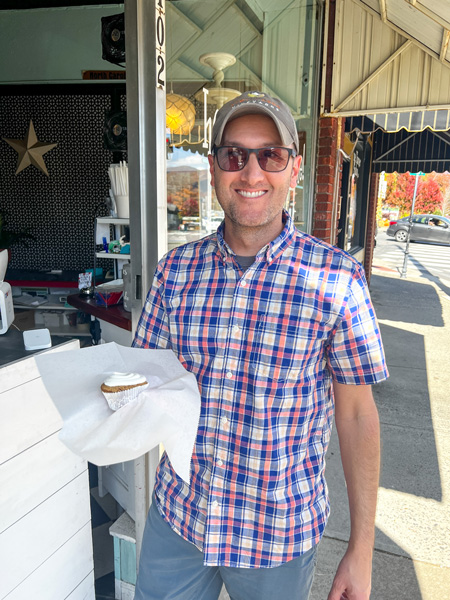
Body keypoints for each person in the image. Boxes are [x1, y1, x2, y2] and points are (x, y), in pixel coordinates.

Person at [132, 90, 389, 600]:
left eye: (270, 155)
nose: (251, 173)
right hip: (180, 517)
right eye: (235, 155)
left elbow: (357, 414)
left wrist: (362, 549)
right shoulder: (175, 271)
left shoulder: (337, 279)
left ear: (294, 171)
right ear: (215, 169)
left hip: (277, 535)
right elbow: (145, 380)